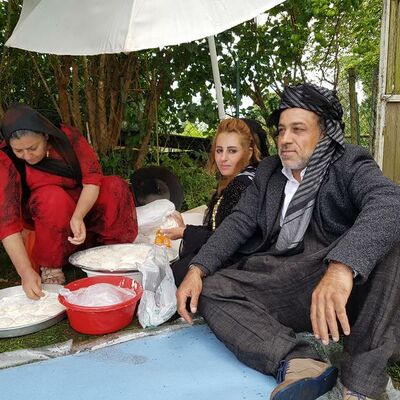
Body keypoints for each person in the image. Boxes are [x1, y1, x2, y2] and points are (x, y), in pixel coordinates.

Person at [176, 83, 400, 400]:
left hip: (336, 279)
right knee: (212, 290)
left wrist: (342, 268)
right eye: (281, 130)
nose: (285, 140)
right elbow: (239, 222)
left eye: (298, 129)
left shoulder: (348, 163)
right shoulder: (269, 171)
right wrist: (197, 268)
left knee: (392, 238)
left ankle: (361, 383)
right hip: (287, 276)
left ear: (324, 133)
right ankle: (299, 360)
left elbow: (391, 202)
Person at [0, 104, 138, 299]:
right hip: (46, 210)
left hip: (83, 201)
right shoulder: (5, 159)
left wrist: (78, 215)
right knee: (52, 197)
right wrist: (25, 272)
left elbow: (92, 180)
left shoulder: (66, 137)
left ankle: (112, 254)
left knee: (114, 186)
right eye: (19, 151)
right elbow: (7, 223)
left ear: (46, 135)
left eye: (32, 148)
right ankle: (51, 267)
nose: (27, 156)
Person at [162, 118, 268, 286]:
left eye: (232, 151)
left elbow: (227, 240)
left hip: (236, 265)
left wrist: (185, 232)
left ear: (249, 152)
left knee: (172, 274)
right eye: (219, 150)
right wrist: (185, 229)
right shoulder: (255, 175)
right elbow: (220, 228)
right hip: (234, 257)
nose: (223, 158)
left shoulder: (241, 185)